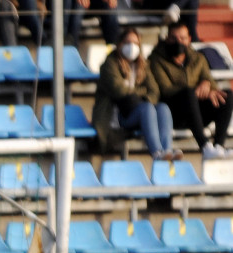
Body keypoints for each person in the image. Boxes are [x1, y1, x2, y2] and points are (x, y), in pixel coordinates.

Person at [93, 27, 183, 161]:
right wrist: (142, 93)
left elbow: (154, 91)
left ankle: (167, 150)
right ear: (120, 44)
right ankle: (157, 153)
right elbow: (119, 90)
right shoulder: (109, 64)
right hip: (116, 116)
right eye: (128, 42)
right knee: (146, 108)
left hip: (137, 112)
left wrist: (140, 96)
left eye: (135, 43)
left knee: (162, 108)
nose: (132, 46)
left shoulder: (143, 65)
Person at [149, 22, 233, 160]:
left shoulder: (197, 58)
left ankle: (218, 146)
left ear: (189, 39)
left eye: (182, 38)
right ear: (167, 38)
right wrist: (195, 91)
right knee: (187, 93)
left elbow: (208, 80)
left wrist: (208, 87)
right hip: (174, 112)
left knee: (226, 96)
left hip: (197, 112)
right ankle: (205, 147)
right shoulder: (155, 60)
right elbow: (165, 89)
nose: (178, 42)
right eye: (174, 38)